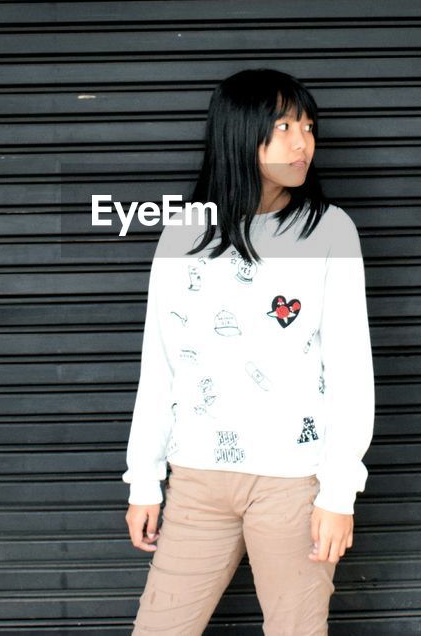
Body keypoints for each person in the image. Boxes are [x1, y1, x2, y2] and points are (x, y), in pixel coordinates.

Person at [121, 68, 376, 635]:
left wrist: (339, 492)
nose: (302, 142)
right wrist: (144, 478)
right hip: (196, 481)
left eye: (308, 127)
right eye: (283, 126)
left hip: (291, 482)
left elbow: (351, 370)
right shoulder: (183, 232)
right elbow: (158, 365)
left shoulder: (330, 230)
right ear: (239, 133)